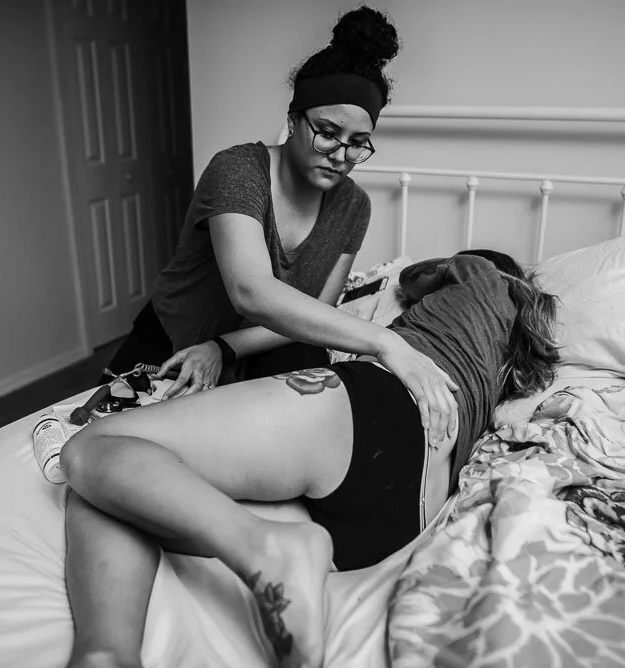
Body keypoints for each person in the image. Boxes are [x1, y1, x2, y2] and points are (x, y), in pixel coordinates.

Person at [61, 249, 561, 668]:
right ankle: (105, 657)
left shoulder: (480, 271)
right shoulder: (500, 361)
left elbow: (411, 279)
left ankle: (254, 557)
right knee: (122, 493)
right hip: (410, 511)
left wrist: (446, 268)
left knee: (93, 448)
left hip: (382, 409)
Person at [101, 7, 457, 449]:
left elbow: (316, 309)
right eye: (326, 132)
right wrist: (386, 343)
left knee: (314, 402)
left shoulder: (353, 206)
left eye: (357, 144)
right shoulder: (237, 171)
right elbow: (251, 291)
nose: (340, 155)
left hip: (259, 348)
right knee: (104, 446)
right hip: (175, 342)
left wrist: (225, 348)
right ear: (292, 120)